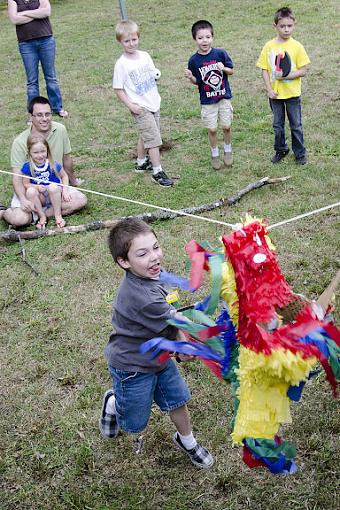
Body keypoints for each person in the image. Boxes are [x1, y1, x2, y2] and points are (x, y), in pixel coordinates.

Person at [99, 218, 214, 469]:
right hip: (133, 365)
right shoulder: (140, 296)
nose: (154, 257)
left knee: (177, 400)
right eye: (142, 253)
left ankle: (188, 441)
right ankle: (113, 402)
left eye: (155, 247)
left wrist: (181, 343)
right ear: (123, 261)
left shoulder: (153, 276)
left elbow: (171, 315)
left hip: (159, 357)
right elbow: (179, 320)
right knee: (134, 424)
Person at [0, 96, 86, 227]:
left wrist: (71, 184)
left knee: (80, 200)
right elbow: (18, 178)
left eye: (48, 114)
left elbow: (66, 160)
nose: (45, 119)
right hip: (32, 191)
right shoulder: (19, 142)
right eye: (39, 115)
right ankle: (3, 212)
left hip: (55, 187)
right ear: (31, 117)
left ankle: (39, 215)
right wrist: (23, 200)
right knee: (19, 220)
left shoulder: (60, 129)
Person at [113, 20, 173, 187]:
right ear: (120, 42)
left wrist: (156, 75)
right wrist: (131, 105)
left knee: (147, 134)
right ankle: (157, 171)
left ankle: (141, 162)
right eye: (126, 41)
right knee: (153, 139)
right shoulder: (121, 64)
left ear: (138, 38)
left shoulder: (145, 55)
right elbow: (118, 89)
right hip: (140, 107)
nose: (131, 44)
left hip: (154, 102)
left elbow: (152, 72)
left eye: (134, 39)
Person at [257, 6, 310, 165]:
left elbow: (303, 71)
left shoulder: (297, 47)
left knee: (296, 125)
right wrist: (269, 89)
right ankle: (281, 149)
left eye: (289, 26)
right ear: (275, 26)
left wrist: (286, 75)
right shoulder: (269, 47)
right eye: (282, 26)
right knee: (278, 126)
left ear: (294, 24)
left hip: (293, 94)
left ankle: (300, 154)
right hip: (276, 95)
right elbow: (265, 69)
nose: (286, 29)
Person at [185, 20, 234, 171]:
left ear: (212, 37)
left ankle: (227, 149)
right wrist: (190, 77)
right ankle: (214, 153)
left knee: (226, 126)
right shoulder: (194, 60)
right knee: (212, 129)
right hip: (208, 101)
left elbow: (231, 71)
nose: (204, 40)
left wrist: (223, 68)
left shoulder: (220, 53)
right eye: (200, 38)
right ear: (195, 39)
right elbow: (197, 82)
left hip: (223, 98)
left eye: (207, 37)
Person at [8, 0, 68, 117]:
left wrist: (23, 13)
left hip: (46, 40)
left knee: (51, 77)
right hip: (26, 44)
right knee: (32, 82)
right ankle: (34, 113)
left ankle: (57, 107)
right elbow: (14, 19)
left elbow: (46, 12)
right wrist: (37, 13)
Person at [21, 134, 70, 229]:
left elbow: (64, 176)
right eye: (35, 152)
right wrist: (36, 187)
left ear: (47, 150)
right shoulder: (27, 167)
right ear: (29, 152)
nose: (40, 155)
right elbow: (26, 183)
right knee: (30, 191)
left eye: (43, 151)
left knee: (53, 187)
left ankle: (58, 215)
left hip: (54, 193)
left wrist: (65, 191)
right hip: (40, 196)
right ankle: (42, 216)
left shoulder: (53, 164)